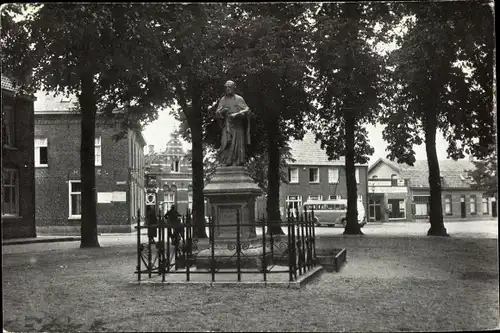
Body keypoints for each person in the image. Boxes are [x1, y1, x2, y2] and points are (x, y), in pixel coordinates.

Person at [216, 80, 251, 166]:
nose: (228, 89)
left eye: (230, 87)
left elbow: (247, 110)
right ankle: (225, 161)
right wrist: (221, 112)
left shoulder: (239, 99)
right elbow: (217, 113)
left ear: (234, 88)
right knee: (225, 143)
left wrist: (237, 114)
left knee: (236, 146)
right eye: (226, 87)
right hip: (227, 126)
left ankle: (235, 161)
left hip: (237, 126)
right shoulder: (223, 100)